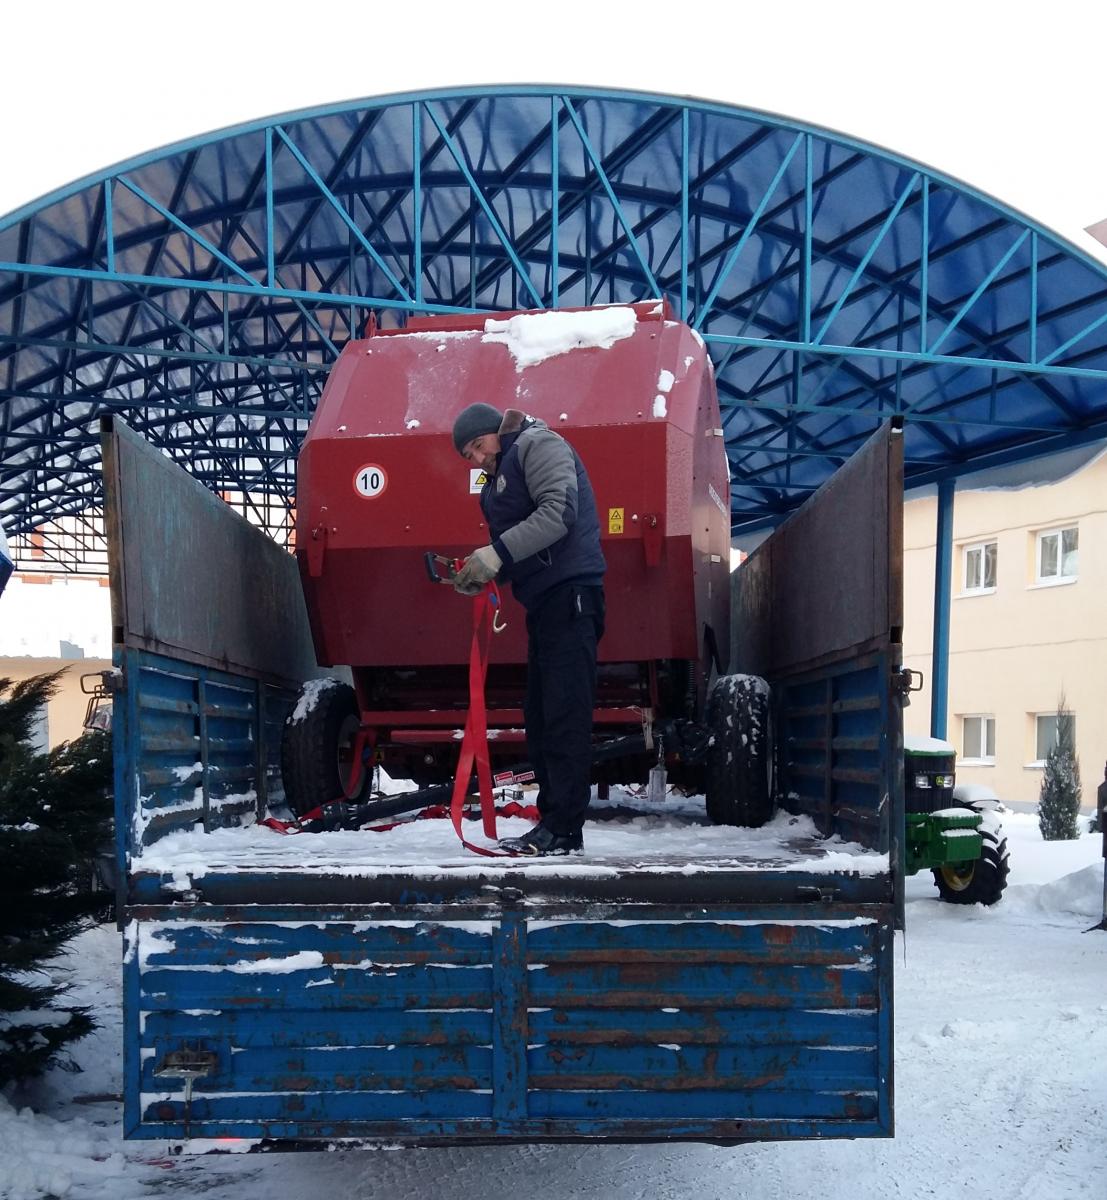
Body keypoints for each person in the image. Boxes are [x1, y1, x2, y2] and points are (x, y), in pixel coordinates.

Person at [450, 402, 606, 856]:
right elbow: (520, 544)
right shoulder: (502, 472)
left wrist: (495, 555)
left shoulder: (538, 444)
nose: (477, 460)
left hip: (571, 596)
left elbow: (559, 513)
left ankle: (565, 830)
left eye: (478, 446)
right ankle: (552, 821)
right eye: (469, 457)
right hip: (545, 603)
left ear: (495, 430)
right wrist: (485, 572)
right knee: (540, 719)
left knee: (564, 715)